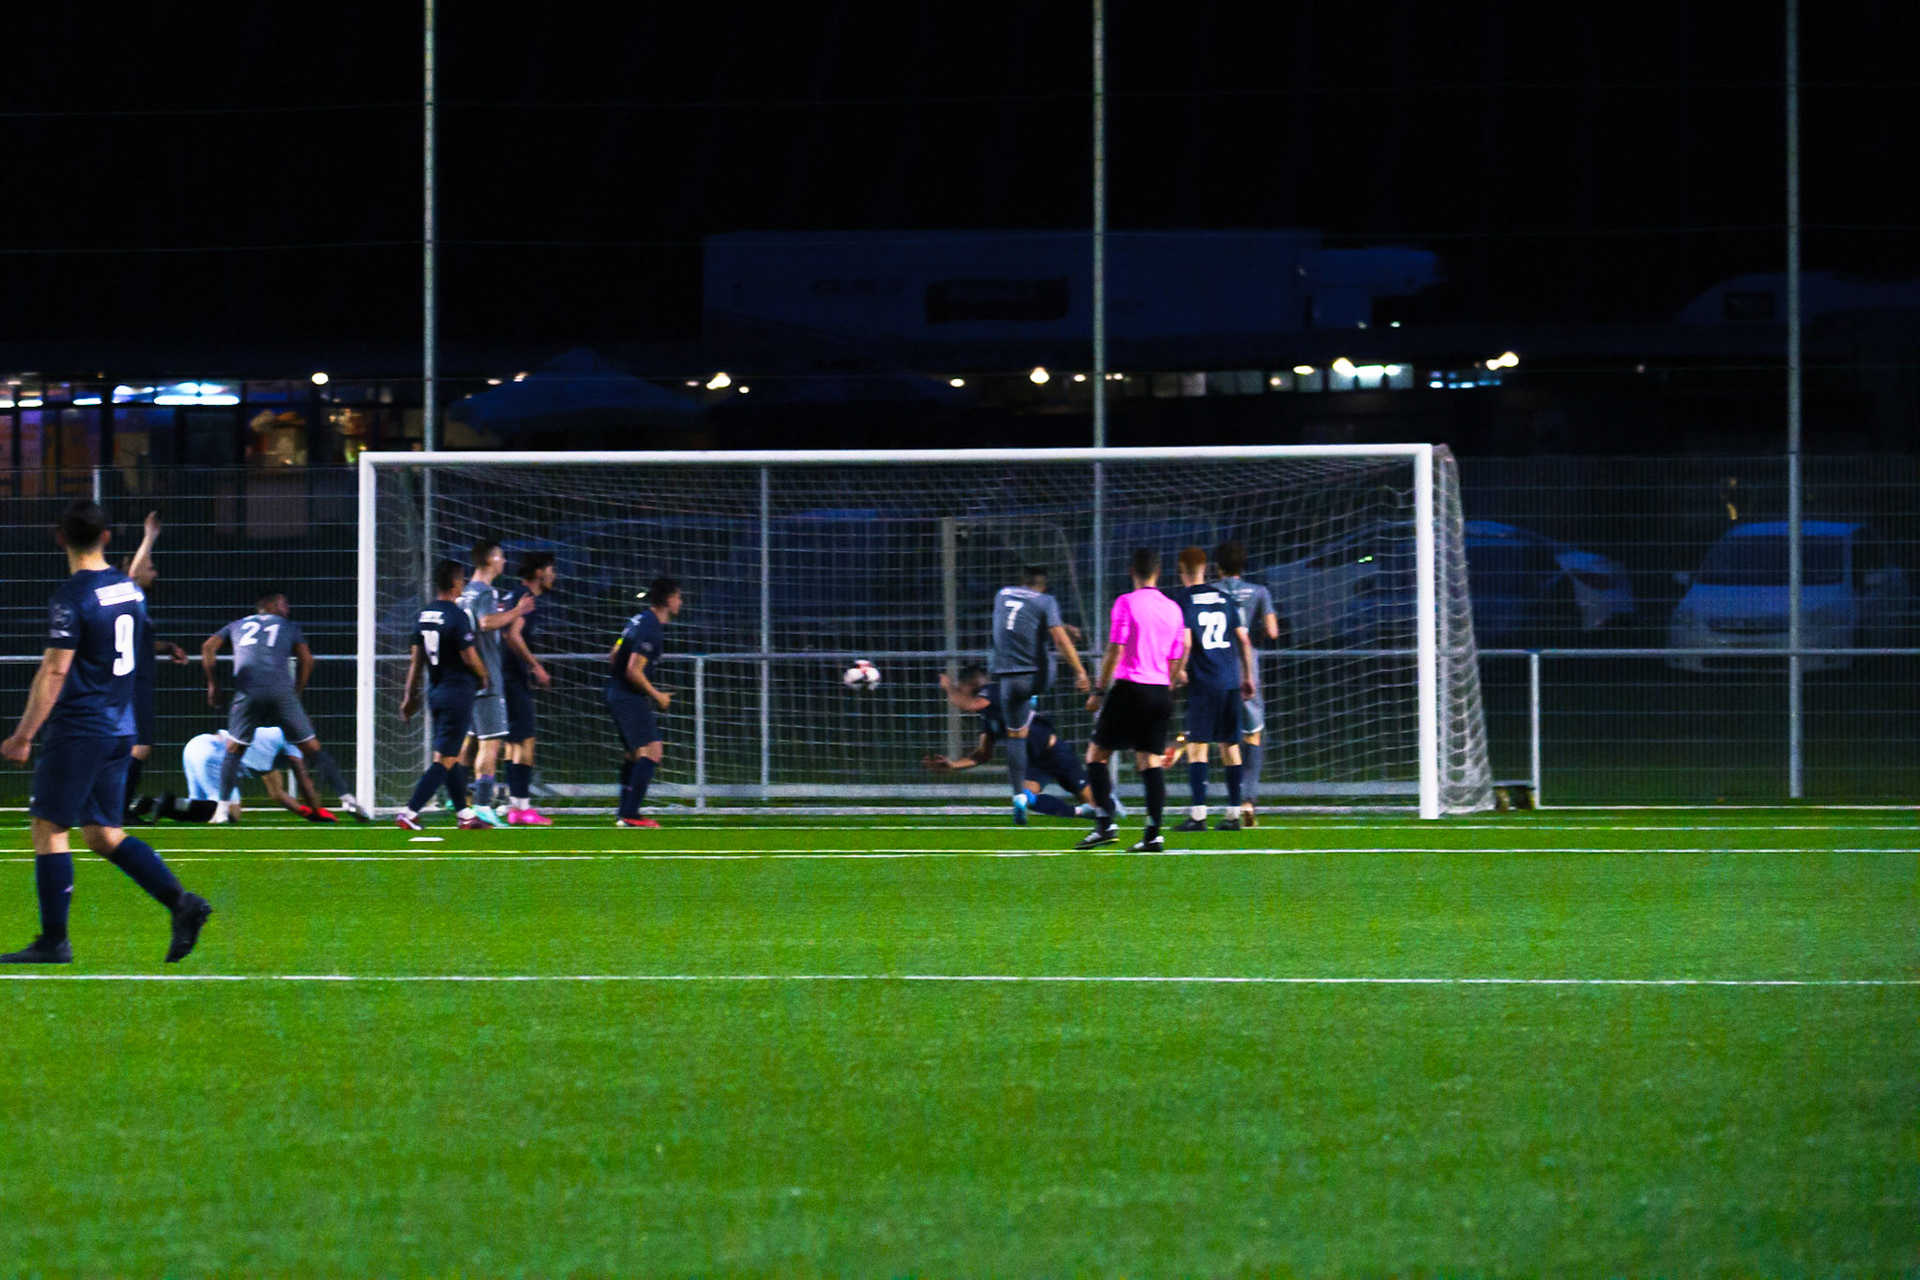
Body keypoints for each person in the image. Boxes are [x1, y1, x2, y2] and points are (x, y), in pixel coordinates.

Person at [1, 501, 212, 965]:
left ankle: (54, 940)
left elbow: (55, 671)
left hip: (80, 727)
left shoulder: (71, 597)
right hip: (120, 727)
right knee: (101, 833)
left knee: (50, 826)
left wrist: (22, 736)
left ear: (60, 539)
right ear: (108, 538)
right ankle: (183, 904)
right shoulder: (129, 591)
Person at [203, 592, 370, 822]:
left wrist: (214, 685)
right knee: (312, 748)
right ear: (269, 605)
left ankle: (221, 810)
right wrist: (296, 694)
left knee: (234, 749)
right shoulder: (288, 626)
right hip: (281, 691)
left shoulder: (236, 624)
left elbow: (208, 647)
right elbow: (307, 659)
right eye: (284, 604)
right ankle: (347, 798)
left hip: (247, 690)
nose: (287, 609)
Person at [1075, 547, 1188, 853]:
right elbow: (1177, 656)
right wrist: (1168, 684)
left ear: (1130, 571)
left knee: (1096, 756)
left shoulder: (1126, 602)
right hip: (1159, 690)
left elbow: (1115, 650)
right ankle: (1153, 834)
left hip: (1130, 688)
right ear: (1159, 571)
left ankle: (1105, 824)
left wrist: (1099, 691)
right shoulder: (1173, 609)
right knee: (1149, 762)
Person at [923, 665, 1106, 822]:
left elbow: (969, 705)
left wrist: (948, 688)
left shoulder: (993, 691)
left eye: (960, 687)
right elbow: (983, 753)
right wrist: (952, 765)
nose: (959, 691)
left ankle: (1104, 805)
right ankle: (1080, 812)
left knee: (1099, 807)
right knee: (1025, 798)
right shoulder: (989, 714)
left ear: (970, 684)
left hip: (1056, 753)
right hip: (1035, 762)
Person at [987, 566, 1091, 823]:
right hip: (1037, 678)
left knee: (1016, 736)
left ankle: (1018, 796)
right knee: (1044, 650)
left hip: (1006, 679)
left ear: (1021, 582)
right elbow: (1059, 639)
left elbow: (1023, 620)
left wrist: (1062, 626)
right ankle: (1033, 701)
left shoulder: (1002, 595)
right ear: (1043, 586)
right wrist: (1080, 671)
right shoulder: (1046, 601)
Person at [396, 559, 492, 830]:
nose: (463, 583)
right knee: (446, 759)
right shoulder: (457, 616)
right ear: (453, 583)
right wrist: (484, 675)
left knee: (448, 755)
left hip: (436, 692)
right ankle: (410, 811)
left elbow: (416, 661)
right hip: (457, 692)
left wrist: (409, 696)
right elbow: (469, 656)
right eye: (461, 579)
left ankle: (464, 814)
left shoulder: (425, 614)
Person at [1170, 546, 1257, 832]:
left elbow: (1185, 643)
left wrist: (1177, 671)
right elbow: (1243, 641)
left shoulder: (1184, 598)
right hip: (1230, 680)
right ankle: (1233, 813)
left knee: (1197, 746)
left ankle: (1198, 815)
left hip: (1204, 683)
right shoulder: (1225, 598)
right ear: (1206, 568)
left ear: (1181, 569)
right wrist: (1247, 677)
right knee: (1230, 745)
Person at [456, 539, 536, 827]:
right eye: (501, 556)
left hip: (470, 678)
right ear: (490, 559)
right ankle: (481, 807)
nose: (504, 561)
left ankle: (461, 801)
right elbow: (487, 622)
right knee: (491, 744)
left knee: (475, 741)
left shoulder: (464, 593)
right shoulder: (485, 592)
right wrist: (518, 610)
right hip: (487, 679)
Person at [121, 511, 189, 823]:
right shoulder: (129, 596)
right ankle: (117, 810)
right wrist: (149, 536)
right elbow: (134, 576)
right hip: (133, 683)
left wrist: (167, 647)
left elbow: (140, 641)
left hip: (135, 681)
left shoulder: (135, 608)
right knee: (140, 747)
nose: (155, 572)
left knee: (128, 747)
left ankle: (110, 806)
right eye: (150, 566)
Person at [1213, 540, 1280, 826]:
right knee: (1252, 734)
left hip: (1215, 666)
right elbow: (1273, 631)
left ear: (1217, 567)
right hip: (1246, 669)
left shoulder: (1209, 592)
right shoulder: (1259, 592)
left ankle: (1213, 805)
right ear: (1243, 565)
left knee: (1222, 737)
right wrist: (1259, 634)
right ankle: (1248, 799)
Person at [143, 726, 332, 823]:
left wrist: (307, 813)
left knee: (199, 810)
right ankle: (169, 803)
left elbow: (277, 793)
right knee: (230, 813)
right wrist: (317, 812)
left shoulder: (271, 738)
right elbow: (304, 781)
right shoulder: (291, 743)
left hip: (196, 745)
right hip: (214, 755)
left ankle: (152, 803)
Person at [607, 577, 680, 829]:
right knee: (653, 750)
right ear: (669, 600)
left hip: (617, 693)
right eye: (678, 597)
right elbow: (633, 669)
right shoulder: (651, 627)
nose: (680, 602)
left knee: (633, 754)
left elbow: (614, 653)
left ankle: (624, 813)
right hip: (628, 695)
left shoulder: (636, 621)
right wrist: (657, 695)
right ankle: (631, 814)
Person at [497, 551, 557, 825]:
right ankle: (522, 808)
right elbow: (512, 634)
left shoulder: (513, 594)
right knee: (526, 740)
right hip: (511, 675)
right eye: (550, 570)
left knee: (513, 742)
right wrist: (535, 666)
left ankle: (513, 804)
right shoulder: (526, 599)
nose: (553, 575)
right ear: (537, 573)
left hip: (504, 675)